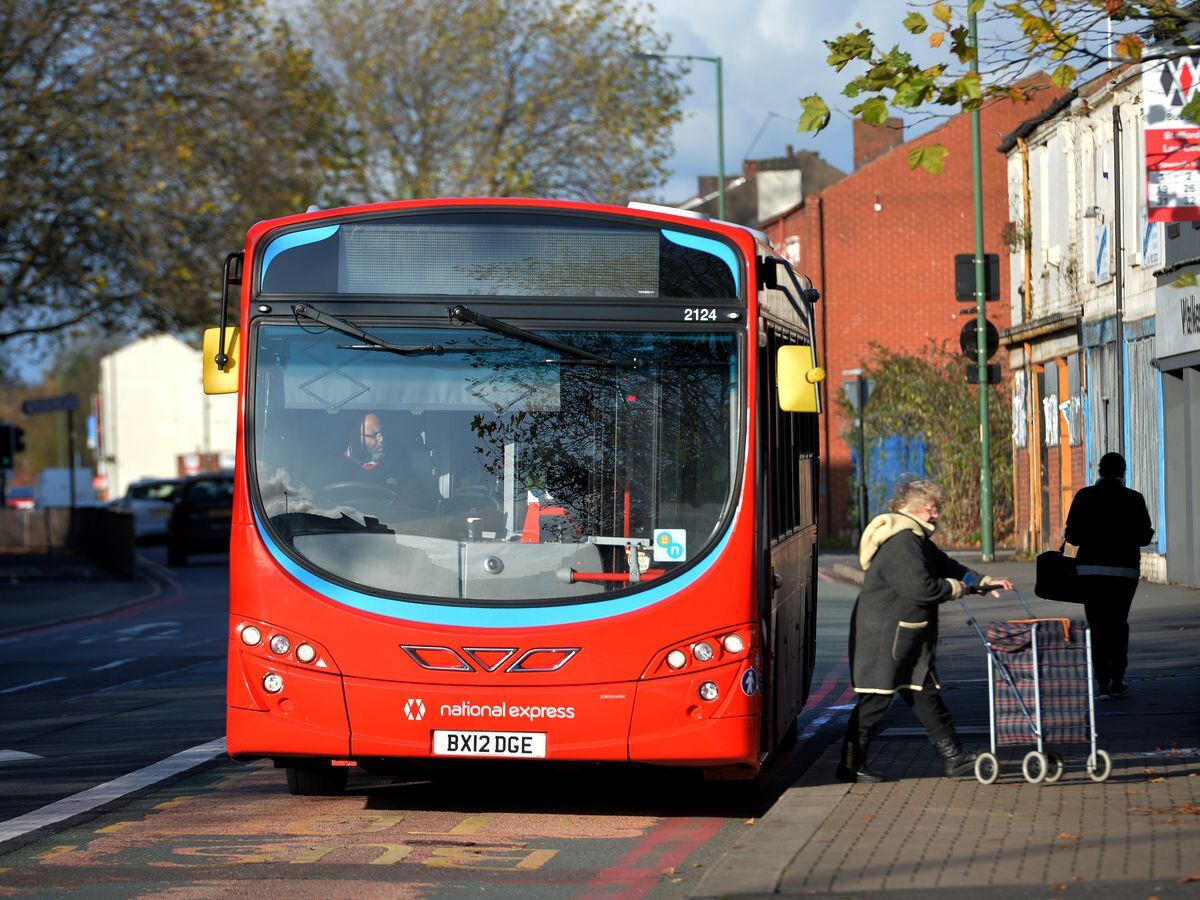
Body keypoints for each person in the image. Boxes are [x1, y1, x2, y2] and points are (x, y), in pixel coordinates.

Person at [836, 478, 1014, 784]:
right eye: (931, 508)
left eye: (936, 508)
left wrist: (981, 582)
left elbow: (946, 565)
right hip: (886, 639)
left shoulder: (915, 540)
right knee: (874, 702)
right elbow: (920, 588)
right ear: (914, 509)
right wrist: (959, 588)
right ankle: (851, 765)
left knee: (926, 697)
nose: (936, 515)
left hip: (905, 638)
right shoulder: (903, 543)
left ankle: (955, 760)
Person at [1064, 452, 1153, 699]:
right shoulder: (1134, 499)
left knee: (1097, 624)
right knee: (1118, 622)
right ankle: (1117, 679)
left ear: (1100, 471)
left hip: (1090, 572)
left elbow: (1072, 536)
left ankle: (1101, 682)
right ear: (1123, 472)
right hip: (1124, 573)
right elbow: (1144, 537)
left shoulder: (1084, 496)